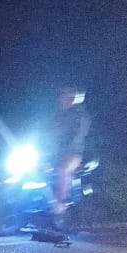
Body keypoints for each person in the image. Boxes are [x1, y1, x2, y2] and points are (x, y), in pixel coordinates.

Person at [47, 87, 91, 217]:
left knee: (63, 169)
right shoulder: (58, 114)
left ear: (72, 99)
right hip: (56, 152)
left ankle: (61, 205)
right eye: (61, 96)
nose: (61, 99)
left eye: (64, 96)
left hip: (73, 151)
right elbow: (47, 128)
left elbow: (77, 132)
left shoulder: (79, 114)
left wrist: (61, 132)